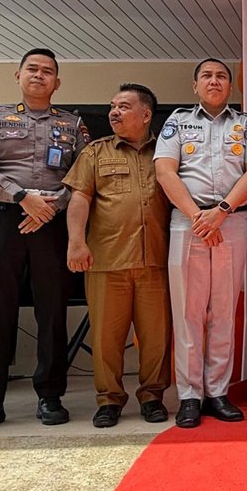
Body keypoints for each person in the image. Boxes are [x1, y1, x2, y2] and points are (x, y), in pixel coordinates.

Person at [0, 48, 90, 434]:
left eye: (47, 71)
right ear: (17, 75)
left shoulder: (73, 124)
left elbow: (84, 174)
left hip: (52, 222)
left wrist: (51, 207)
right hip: (3, 218)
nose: (39, 75)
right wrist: (22, 198)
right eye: (32, 69)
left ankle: (50, 396)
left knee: (52, 312)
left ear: (57, 82)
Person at [154, 58, 247, 428]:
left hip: (231, 220)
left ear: (230, 86)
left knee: (223, 311)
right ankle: (190, 395)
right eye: (207, 75)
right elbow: (164, 171)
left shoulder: (244, 124)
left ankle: (217, 391)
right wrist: (198, 216)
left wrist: (221, 211)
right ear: (195, 85)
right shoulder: (177, 121)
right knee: (188, 311)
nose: (214, 81)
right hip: (188, 223)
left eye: (221, 76)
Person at [65, 84, 173, 428]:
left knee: (156, 337)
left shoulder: (168, 153)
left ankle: (152, 396)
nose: (114, 112)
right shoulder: (96, 153)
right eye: (112, 106)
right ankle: (109, 400)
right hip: (107, 260)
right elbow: (80, 198)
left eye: (124, 106)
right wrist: (76, 242)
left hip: (156, 260)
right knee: (106, 338)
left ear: (146, 114)